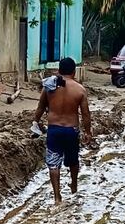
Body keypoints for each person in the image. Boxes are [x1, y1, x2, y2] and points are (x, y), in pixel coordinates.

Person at [33, 57, 93, 204]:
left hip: (54, 130)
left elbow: (40, 107)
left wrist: (35, 122)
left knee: (53, 163)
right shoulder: (80, 90)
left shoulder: (49, 87)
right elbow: (85, 114)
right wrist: (87, 132)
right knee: (73, 160)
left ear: (59, 70)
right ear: (74, 72)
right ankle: (74, 185)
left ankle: (57, 197)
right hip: (71, 130)